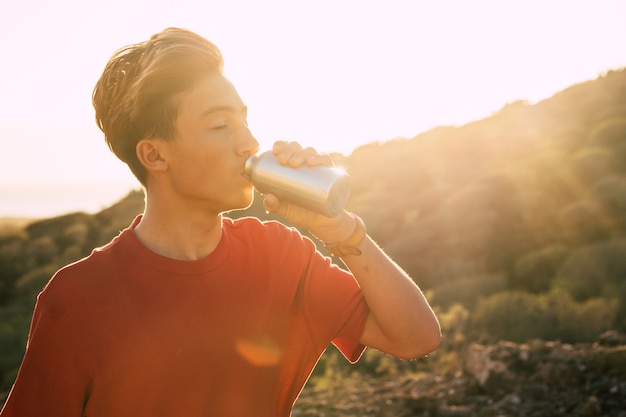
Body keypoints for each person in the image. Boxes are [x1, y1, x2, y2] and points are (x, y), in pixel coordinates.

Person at [0, 27, 440, 417]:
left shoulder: (282, 255)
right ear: (154, 155)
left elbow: (415, 338)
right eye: (220, 125)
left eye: (244, 119)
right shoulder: (76, 299)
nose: (249, 142)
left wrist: (335, 227)